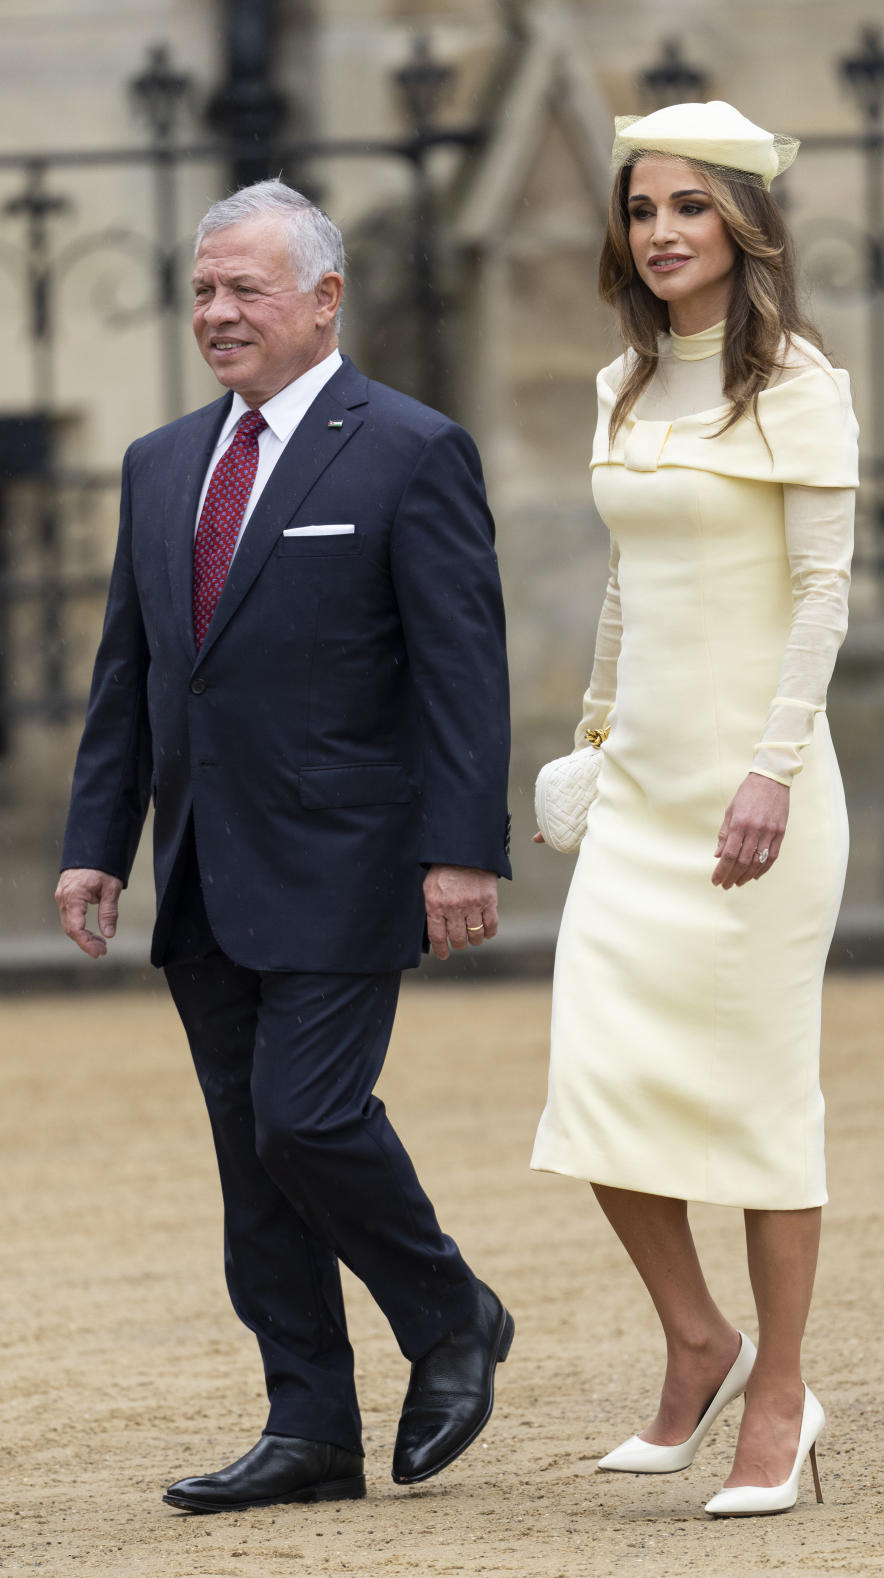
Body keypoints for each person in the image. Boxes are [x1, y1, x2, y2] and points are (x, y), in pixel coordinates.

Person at [55, 179, 514, 1513]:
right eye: (203, 289)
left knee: (306, 1118)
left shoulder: (411, 448)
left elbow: (461, 673)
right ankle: (309, 1424)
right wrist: (100, 843)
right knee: (253, 1163)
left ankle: (450, 1312)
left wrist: (459, 848)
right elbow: (130, 677)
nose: (218, 312)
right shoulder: (158, 464)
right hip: (203, 866)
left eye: (246, 288)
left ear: (325, 298)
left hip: (349, 855)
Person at [531, 101, 858, 1518]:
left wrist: (770, 770)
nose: (661, 232)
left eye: (689, 209)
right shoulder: (619, 383)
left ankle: (779, 1394)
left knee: (759, 1104)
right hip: (645, 792)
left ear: (743, 224)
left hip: (758, 799)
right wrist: (594, 739)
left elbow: (822, 592)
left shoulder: (797, 380)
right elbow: (626, 581)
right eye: (643, 208)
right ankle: (697, 1337)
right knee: (595, 1081)